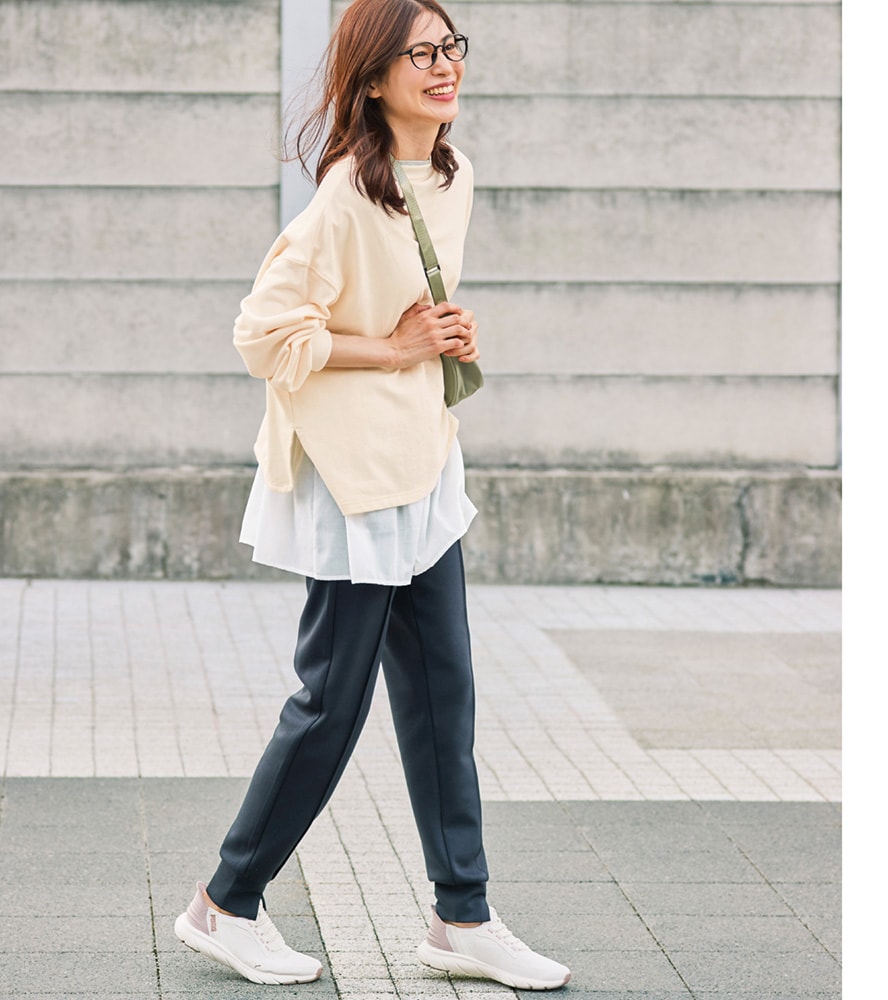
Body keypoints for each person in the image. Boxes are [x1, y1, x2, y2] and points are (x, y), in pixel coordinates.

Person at [173, 0, 571, 990]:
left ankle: (462, 917)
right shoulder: (348, 193)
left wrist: (440, 334)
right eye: (419, 53)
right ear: (375, 78)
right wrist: (391, 348)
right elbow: (264, 333)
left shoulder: (453, 174)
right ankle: (224, 903)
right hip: (354, 480)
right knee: (331, 705)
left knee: (443, 695)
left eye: (450, 47)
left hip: (422, 462)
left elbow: (406, 307)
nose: (444, 66)